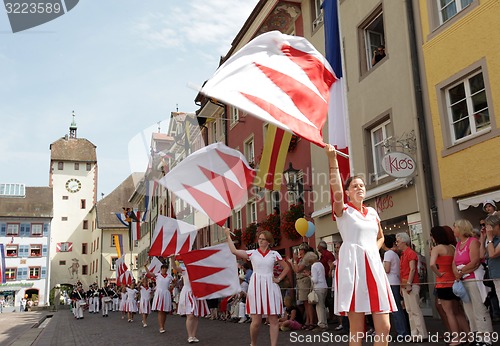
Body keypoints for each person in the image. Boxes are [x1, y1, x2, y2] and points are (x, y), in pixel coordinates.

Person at [326, 144, 395, 346]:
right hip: (353, 267)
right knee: (357, 330)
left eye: (362, 185)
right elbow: (336, 190)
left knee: (384, 327)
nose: (359, 188)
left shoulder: (373, 212)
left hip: (373, 265)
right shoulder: (343, 210)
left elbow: (381, 237)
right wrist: (332, 161)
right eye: (354, 186)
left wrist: (374, 248)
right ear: (347, 192)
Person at [224, 227, 289, 346]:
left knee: (273, 319)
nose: (260, 241)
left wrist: (278, 279)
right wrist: (228, 235)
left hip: (270, 286)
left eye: (263, 239)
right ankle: (253, 343)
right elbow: (234, 251)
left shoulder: (274, 254)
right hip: (256, 286)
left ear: (268, 242)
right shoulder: (252, 253)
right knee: (256, 321)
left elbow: (286, 267)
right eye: (259, 239)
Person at [453, 219, 493, 346]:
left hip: (473, 278)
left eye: (455, 227)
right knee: (469, 310)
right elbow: (454, 262)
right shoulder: (458, 244)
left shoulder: (473, 242)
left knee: (479, 308)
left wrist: (462, 270)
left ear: (461, 228)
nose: (454, 230)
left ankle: (486, 337)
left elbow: (475, 261)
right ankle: (476, 334)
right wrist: (457, 272)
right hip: (463, 279)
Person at [429, 226, 470, 345]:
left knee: (449, 312)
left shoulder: (437, 248)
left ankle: (456, 338)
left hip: (443, 283)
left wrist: (439, 274)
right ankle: (468, 335)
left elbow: (432, 264)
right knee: (458, 311)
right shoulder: (452, 247)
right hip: (454, 281)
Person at [396, 232, 428, 341]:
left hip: (411, 284)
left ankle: (422, 333)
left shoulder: (410, 253)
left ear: (404, 242)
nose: (397, 244)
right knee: (409, 310)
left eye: (398, 241)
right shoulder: (404, 254)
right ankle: (415, 333)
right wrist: (402, 286)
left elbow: (413, 269)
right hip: (406, 284)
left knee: (415, 309)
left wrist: (409, 283)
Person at [172, 257, 209, 344]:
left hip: (196, 293)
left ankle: (193, 335)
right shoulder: (184, 270)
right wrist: (172, 258)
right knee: (190, 315)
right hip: (188, 293)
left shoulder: (198, 270)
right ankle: (189, 336)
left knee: (196, 316)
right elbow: (174, 267)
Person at [382, 235, 409, 338]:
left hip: (391, 282)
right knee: (397, 307)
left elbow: (387, 269)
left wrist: (381, 267)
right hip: (395, 281)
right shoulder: (394, 254)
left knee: (395, 308)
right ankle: (402, 330)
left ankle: (402, 331)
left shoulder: (388, 254)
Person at [287, 242, 315, 330]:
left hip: (304, 281)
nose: (299, 252)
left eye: (301, 250)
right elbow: (296, 270)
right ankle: (308, 320)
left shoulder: (306, 259)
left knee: (307, 302)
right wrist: (293, 262)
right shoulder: (302, 259)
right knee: (305, 303)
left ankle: (311, 321)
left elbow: (297, 270)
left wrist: (294, 261)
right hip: (301, 282)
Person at [144, 262, 173, 333]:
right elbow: (149, 274)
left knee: (165, 311)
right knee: (160, 310)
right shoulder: (157, 275)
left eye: (166, 269)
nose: (164, 270)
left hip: (166, 293)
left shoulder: (169, 276)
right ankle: (161, 327)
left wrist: (171, 287)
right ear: (161, 269)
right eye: (163, 268)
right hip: (159, 293)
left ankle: (163, 325)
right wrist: (145, 266)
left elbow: (174, 282)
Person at [304, 251, 328, 332]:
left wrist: (309, 275)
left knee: (319, 307)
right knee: (322, 306)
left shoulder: (314, 266)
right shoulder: (320, 264)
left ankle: (321, 324)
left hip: (318, 287)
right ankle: (324, 323)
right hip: (324, 286)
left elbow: (315, 280)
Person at [317, 240, 335, 322]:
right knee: (327, 298)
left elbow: (331, 264)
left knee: (330, 297)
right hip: (325, 277)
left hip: (329, 277)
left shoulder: (328, 254)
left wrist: (329, 272)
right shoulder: (322, 255)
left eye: (318, 246)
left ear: (321, 247)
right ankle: (331, 316)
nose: (317, 247)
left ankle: (333, 316)